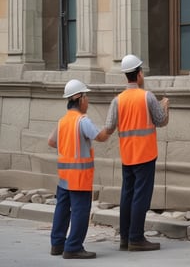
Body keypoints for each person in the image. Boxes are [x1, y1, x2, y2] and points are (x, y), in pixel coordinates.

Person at [103, 54, 169, 251]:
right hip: (145, 155)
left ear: (126, 76)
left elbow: (109, 127)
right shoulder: (146, 96)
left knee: (127, 195)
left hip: (128, 155)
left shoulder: (118, 100)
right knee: (141, 196)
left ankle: (125, 238)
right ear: (139, 74)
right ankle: (136, 238)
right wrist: (165, 106)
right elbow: (161, 121)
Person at [48, 79, 110, 259]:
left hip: (64, 177)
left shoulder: (63, 121)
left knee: (62, 209)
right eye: (86, 96)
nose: (88, 100)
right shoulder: (82, 121)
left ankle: (57, 244)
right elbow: (100, 137)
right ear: (79, 98)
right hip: (79, 177)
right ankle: (73, 247)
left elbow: (51, 141)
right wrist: (112, 125)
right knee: (80, 212)